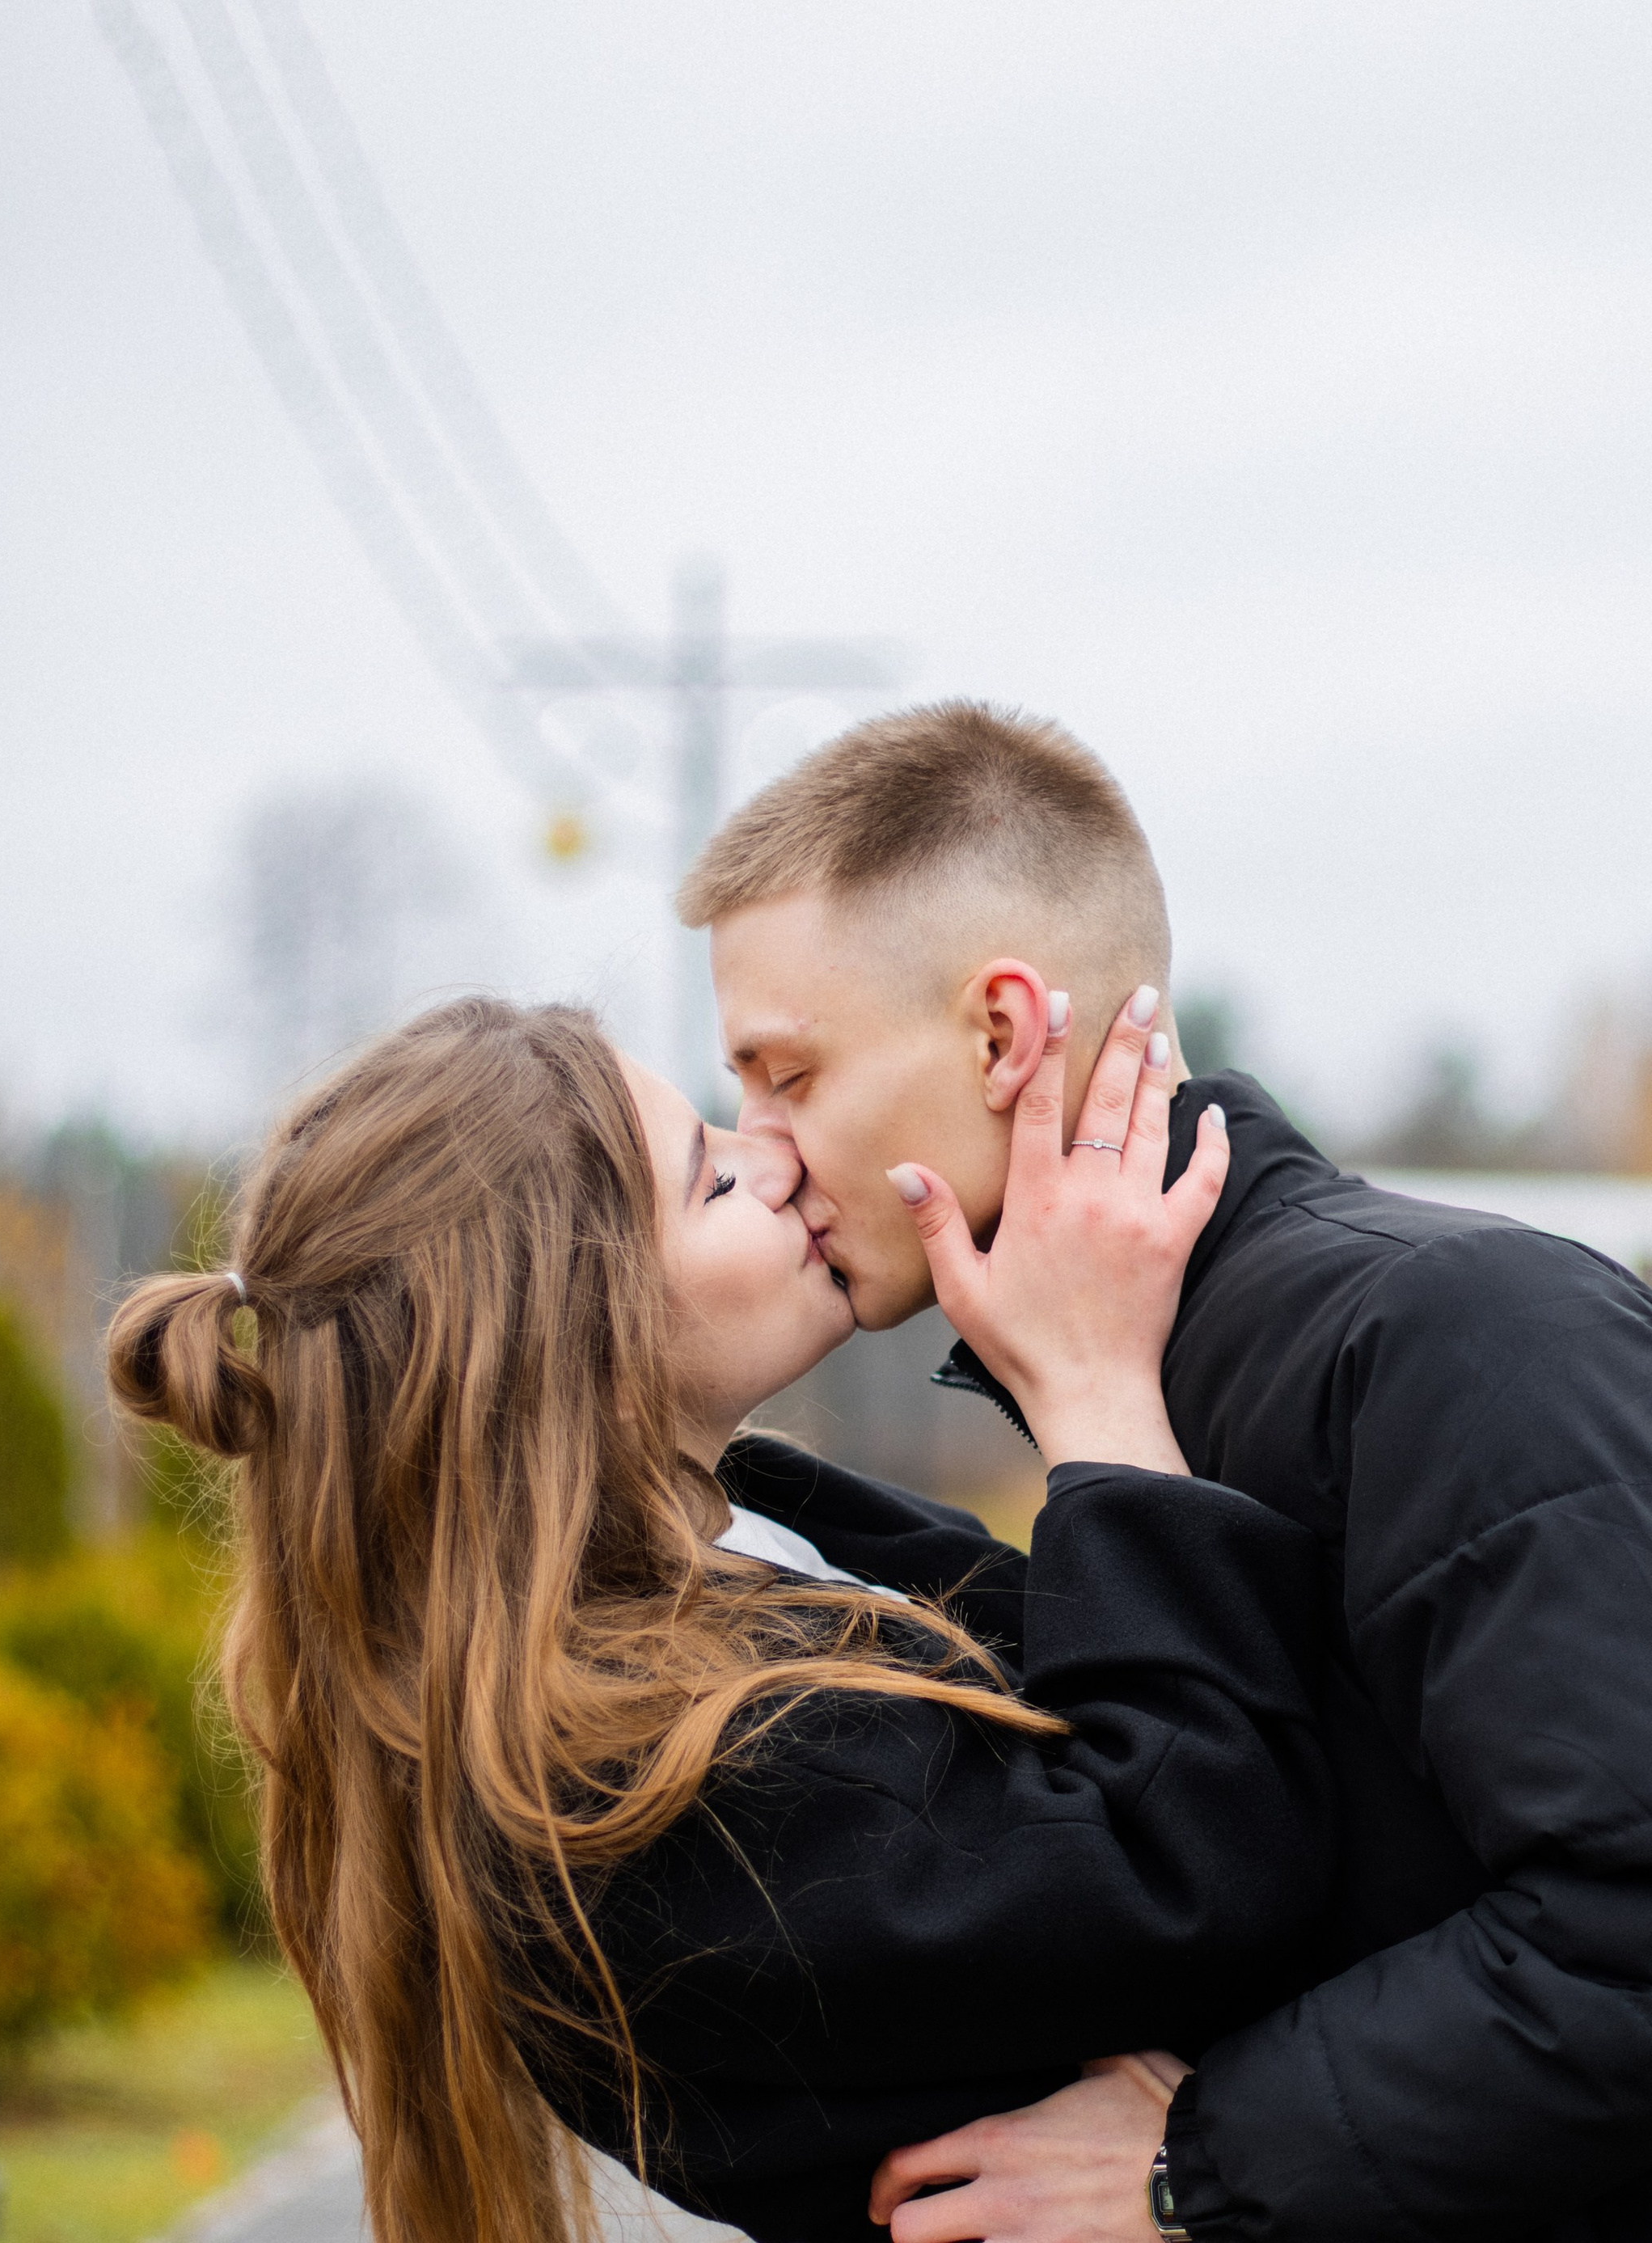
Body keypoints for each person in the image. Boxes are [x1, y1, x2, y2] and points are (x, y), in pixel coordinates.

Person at [107, 991, 1331, 2243]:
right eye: (710, 1181)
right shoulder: (632, 1796)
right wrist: (1094, 1391)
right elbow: (1206, 1868)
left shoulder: (753, 1531)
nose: (778, 1155)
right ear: (576, 1341)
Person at [683, 699, 1652, 2243]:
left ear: (1001, 1035)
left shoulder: (1463, 1338)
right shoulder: (1127, 1400)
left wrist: (1197, 2157)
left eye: (785, 1073)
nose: (766, 1149)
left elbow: (1629, 1932)